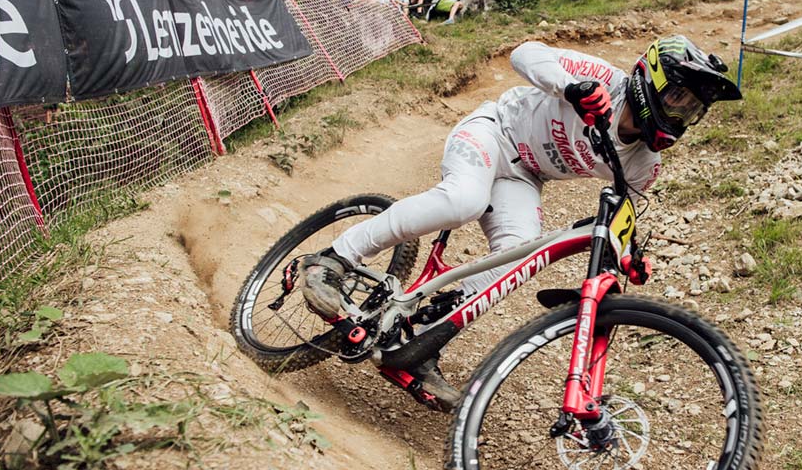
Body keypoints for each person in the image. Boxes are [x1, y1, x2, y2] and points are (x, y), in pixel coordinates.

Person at [298, 36, 742, 408]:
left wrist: (627, 255)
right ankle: (334, 258)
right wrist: (570, 87)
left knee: (517, 257)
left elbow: (625, 212)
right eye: (678, 99)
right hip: (493, 132)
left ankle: (420, 341)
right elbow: (525, 53)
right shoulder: (606, 80)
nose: (682, 115)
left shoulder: (645, 161)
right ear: (652, 81)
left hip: (525, 177)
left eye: (692, 111)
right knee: (464, 201)